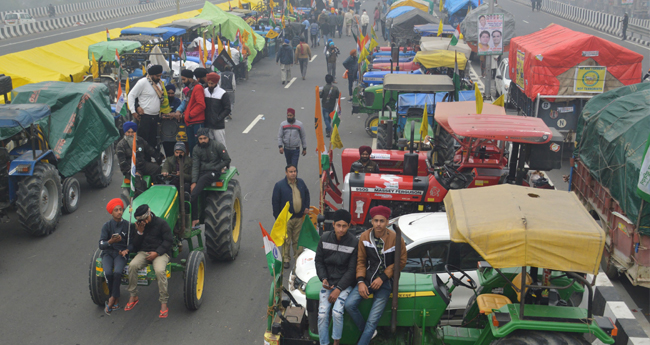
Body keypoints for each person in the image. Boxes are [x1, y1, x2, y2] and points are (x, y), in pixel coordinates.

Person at [344, 205, 407, 345]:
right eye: (376, 221)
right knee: (349, 305)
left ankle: (366, 336)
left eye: (382, 221)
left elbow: (401, 262)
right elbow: (360, 261)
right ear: (371, 221)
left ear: (387, 222)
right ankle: (369, 332)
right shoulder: (365, 237)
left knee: (373, 320)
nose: (378, 224)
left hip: (386, 283)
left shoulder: (396, 239)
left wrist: (383, 277)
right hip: (367, 279)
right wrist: (360, 281)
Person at [315, 209, 358, 345]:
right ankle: (324, 343)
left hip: (344, 285)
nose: (341, 229)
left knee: (337, 312)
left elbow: (352, 270)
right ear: (333, 224)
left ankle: (336, 342)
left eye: (344, 226)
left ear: (349, 226)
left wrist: (339, 288)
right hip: (328, 283)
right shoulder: (324, 238)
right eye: (338, 225)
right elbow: (319, 261)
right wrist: (323, 278)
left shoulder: (353, 242)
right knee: (322, 314)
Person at [125, 204, 173, 318]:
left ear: (149, 215)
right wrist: (139, 233)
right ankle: (133, 295)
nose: (145, 222)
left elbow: (168, 241)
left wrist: (157, 253)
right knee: (132, 266)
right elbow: (135, 246)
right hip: (144, 252)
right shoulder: (139, 227)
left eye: (146, 219)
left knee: (160, 271)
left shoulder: (161, 223)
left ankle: (163, 302)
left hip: (160, 253)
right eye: (142, 221)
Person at [271, 165, 311, 269]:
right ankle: (286, 260)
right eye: (290, 172)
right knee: (286, 240)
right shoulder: (279, 185)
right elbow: (275, 202)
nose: (293, 173)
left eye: (294, 171)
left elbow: (306, 194)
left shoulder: (301, 183)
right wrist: (278, 218)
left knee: (298, 240)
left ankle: (299, 259)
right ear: (286, 173)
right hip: (286, 219)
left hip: (299, 218)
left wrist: (306, 207)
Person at [191, 128, 231, 227]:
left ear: (208, 137)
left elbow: (227, 160)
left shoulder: (217, 145)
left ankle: (195, 219)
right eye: (200, 139)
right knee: (188, 186)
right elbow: (195, 166)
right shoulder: (196, 149)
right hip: (202, 172)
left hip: (214, 173)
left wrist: (217, 168)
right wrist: (193, 181)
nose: (203, 141)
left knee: (196, 191)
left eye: (205, 138)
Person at [99, 198, 130, 315]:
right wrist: (110, 242)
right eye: (116, 210)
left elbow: (132, 243)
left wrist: (127, 250)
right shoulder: (106, 226)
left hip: (120, 254)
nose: (119, 212)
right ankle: (115, 296)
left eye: (120, 209)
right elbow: (101, 244)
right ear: (111, 213)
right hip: (107, 253)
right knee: (108, 273)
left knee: (117, 272)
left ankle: (112, 299)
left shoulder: (127, 225)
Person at [127, 64, 165, 150]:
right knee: (143, 141)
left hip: (155, 117)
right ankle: (143, 161)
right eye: (157, 76)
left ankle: (149, 161)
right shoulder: (143, 82)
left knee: (153, 141)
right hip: (145, 117)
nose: (159, 78)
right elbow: (131, 95)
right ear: (151, 75)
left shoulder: (159, 84)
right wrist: (133, 111)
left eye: (160, 75)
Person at [180, 69, 206, 154]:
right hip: (190, 122)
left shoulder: (197, 88)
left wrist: (190, 115)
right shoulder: (191, 89)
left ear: (190, 78)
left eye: (184, 79)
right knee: (191, 147)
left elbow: (201, 105)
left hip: (196, 122)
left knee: (197, 147)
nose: (183, 82)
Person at [204, 73, 231, 149]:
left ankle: (223, 160)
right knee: (208, 146)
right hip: (207, 125)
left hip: (218, 126)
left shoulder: (222, 93)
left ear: (216, 82)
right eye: (208, 83)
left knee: (220, 146)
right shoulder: (205, 91)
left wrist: (218, 118)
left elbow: (227, 109)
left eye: (212, 83)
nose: (210, 85)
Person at [161, 84, 183, 157]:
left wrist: (170, 114)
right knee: (167, 148)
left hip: (175, 129)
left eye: (172, 93)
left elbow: (178, 112)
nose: (170, 95)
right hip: (164, 129)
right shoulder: (162, 101)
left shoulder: (177, 101)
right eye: (168, 93)